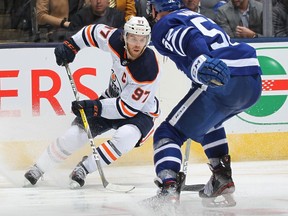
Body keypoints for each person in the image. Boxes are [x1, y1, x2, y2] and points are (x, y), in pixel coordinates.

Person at [24, 16, 161, 188]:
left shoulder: (148, 69)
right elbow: (93, 32)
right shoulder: (115, 40)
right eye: (133, 38)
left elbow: (127, 109)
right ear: (124, 36)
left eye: (142, 40)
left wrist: (95, 107)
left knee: (126, 137)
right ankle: (39, 168)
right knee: (74, 135)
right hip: (111, 100)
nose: (137, 44)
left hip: (140, 113)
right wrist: (72, 45)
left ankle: (84, 169)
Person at [147, 0, 262, 206]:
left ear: (155, 9)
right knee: (210, 122)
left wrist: (201, 61)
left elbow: (189, 37)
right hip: (251, 77)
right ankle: (221, 176)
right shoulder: (198, 16)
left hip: (223, 76)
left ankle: (169, 187)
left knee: (168, 133)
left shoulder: (164, 25)